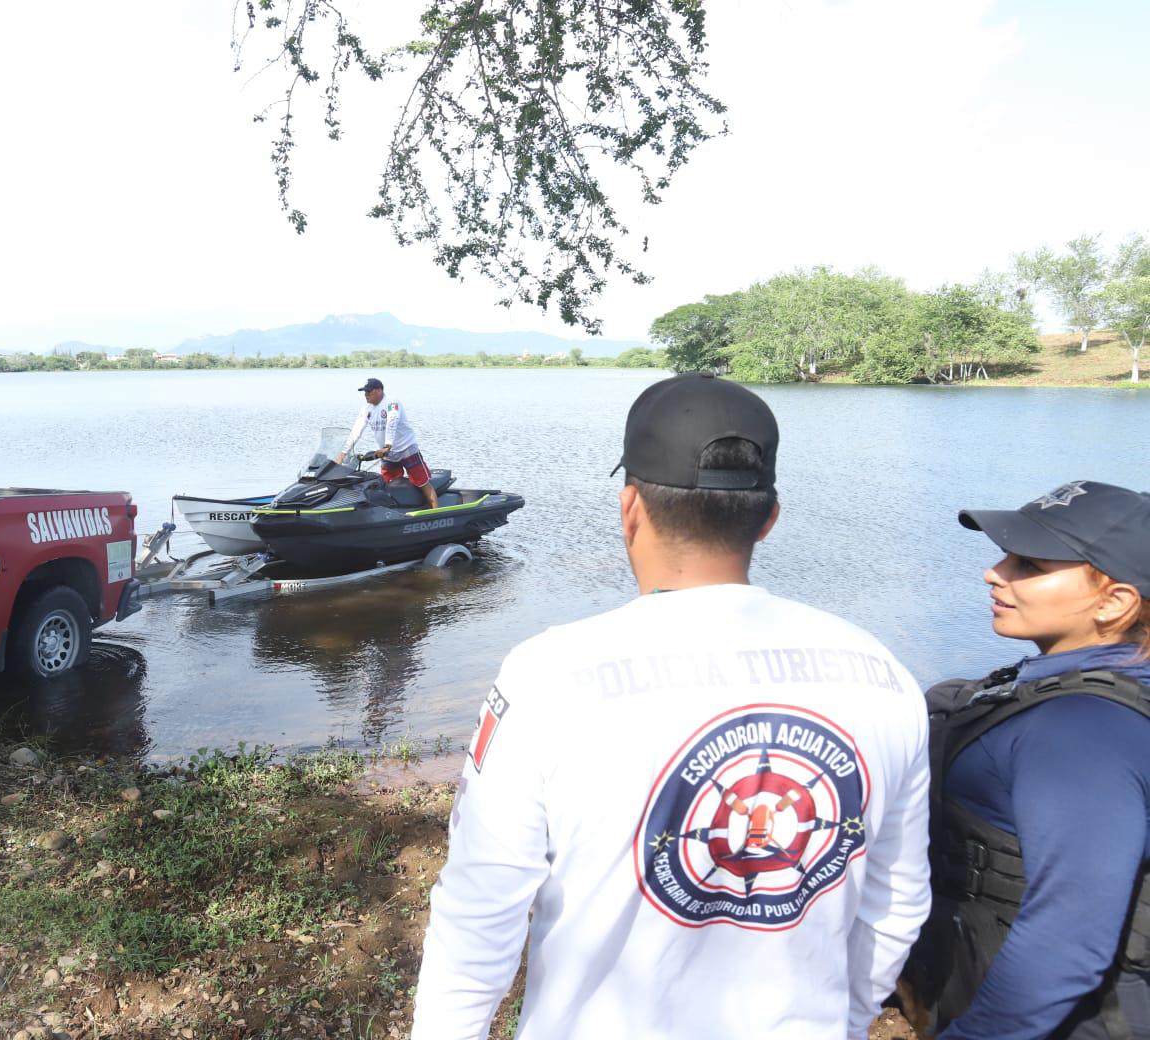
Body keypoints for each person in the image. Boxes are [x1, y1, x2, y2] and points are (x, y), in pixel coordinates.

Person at [411, 372, 931, 1040]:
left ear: (630, 507)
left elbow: (479, 915)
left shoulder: (549, 678)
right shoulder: (882, 675)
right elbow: (896, 903)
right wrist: (850, 1020)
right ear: (769, 518)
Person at [904, 481, 1150, 1039]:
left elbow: (1069, 939)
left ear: (1115, 602)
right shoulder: (1096, 692)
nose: (995, 573)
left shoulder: (1083, 732)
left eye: (1029, 565)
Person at [336, 377, 438, 510]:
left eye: (369, 392)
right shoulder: (366, 409)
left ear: (379, 391)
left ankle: (435, 511)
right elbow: (356, 430)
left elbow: (392, 422)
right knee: (387, 484)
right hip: (387, 453)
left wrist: (388, 445)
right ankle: (396, 512)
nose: (366, 395)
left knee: (422, 482)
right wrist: (343, 453)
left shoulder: (392, 403)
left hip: (406, 449)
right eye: (364, 393)